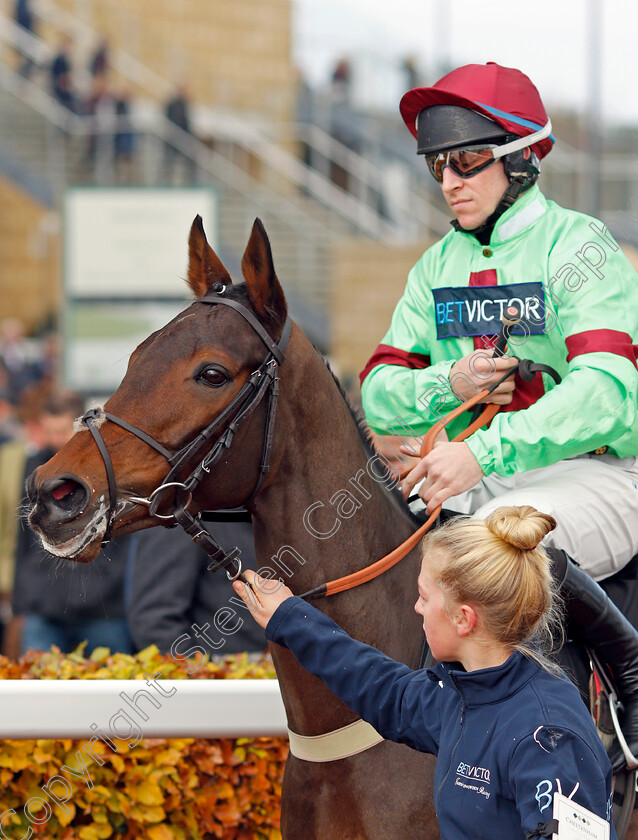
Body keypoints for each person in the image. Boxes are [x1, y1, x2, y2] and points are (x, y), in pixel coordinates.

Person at [359, 61, 638, 762]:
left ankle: (630, 677)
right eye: (438, 166)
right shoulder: (434, 267)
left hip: (601, 476)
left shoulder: (580, 246)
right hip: (479, 473)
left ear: (520, 159)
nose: (450, 180)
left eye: (468, 161)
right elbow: (376, 390)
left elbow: (606, 389)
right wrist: (446, 384)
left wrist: (485, 450)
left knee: (486, 542)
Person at [233, 506, 616, 840]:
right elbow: (383, 689)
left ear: (463, 618)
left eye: (424, 596)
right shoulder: (465, 691)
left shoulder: (548, 738)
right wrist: (288, 617)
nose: (417, 608)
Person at [12, 391, 134, 655]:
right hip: (44, 608)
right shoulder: (35, 463)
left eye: (61, 430)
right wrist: (23, 599)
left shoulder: (110, 466)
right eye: (49, 430)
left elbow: (127, 533)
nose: (55, 439)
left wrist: (114, 587)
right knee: (39, 691)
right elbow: (24, 538)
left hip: (104, 610)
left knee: (109, 690)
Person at [126, 521, 266, 658]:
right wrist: (200, 673)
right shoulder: (178, 516)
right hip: (227, 670)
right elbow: (154, 620)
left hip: (272, 665)